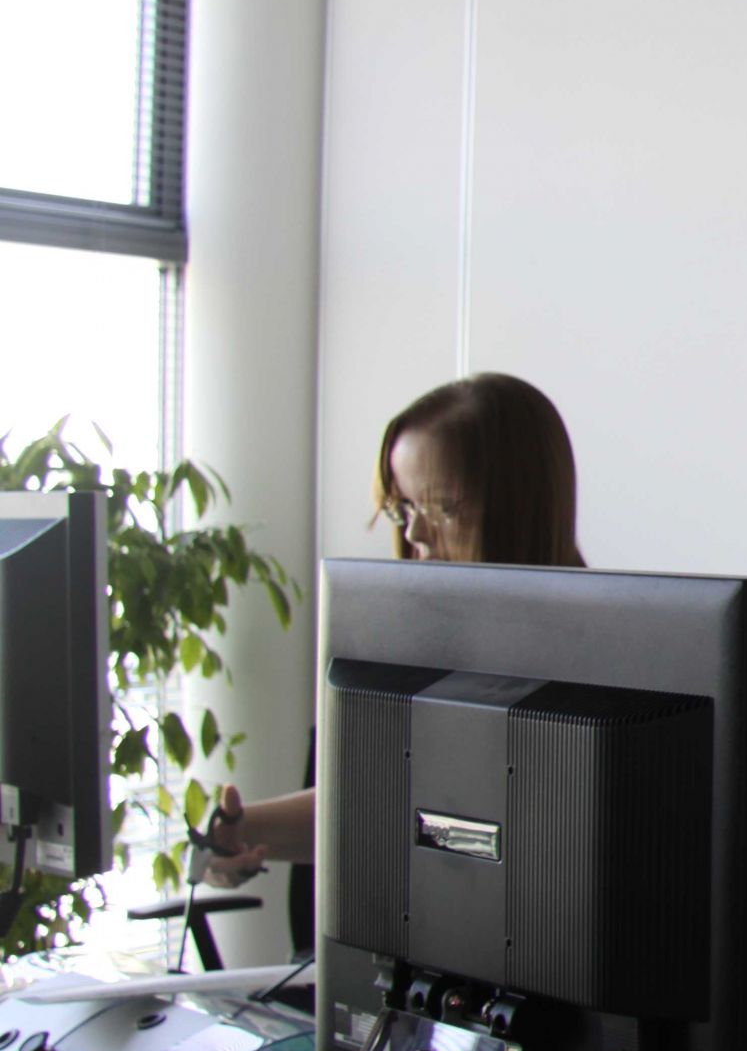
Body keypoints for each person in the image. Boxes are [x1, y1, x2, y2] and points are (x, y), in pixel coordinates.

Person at [197, 372, 592, 883]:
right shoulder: (413, 647)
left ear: (517, 505)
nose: (415, 531)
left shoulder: (598, 674)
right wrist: (234, 836)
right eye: (404, 507)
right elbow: (381, 800)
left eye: (443, 508)